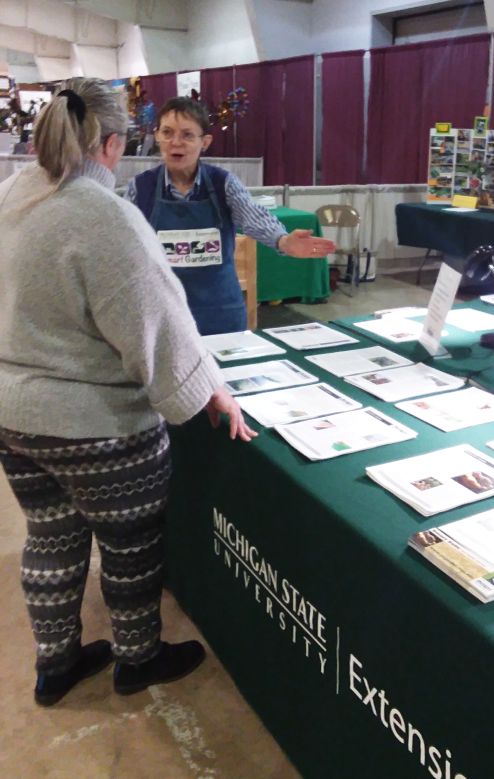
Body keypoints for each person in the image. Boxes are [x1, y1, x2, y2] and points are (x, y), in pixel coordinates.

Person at [0, 78, 257, 707]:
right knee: (130, 542)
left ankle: (55, 664)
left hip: (13, 415)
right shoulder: (105, 212)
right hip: (94, 422)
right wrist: (209, 391)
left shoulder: (14, 191)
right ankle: (137, 658)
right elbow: (155, 323)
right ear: (115, 143)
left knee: (51, 536)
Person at [126, 96, 336, 335]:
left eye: (187, 135)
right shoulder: (140, 188)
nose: (176, 142)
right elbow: (121, 244)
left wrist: (283, 240)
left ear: (205, 142)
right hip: (161, 317)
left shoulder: (223, 183)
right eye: (167, 132)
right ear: (158, 136)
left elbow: (253, 217)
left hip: (219, 314)